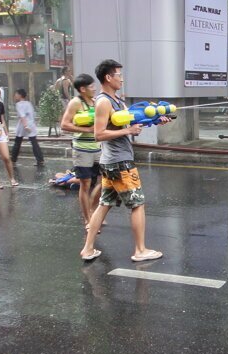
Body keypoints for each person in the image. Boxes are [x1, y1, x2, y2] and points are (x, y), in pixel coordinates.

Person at [78, 59, 170, 262]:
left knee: (104, 204)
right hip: (120, 163)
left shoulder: (117, 101)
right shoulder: (103, 102)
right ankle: (140, 250)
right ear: (108, 77)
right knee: (137, 204)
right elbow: (98, 134)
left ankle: (88, 249)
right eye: (119, 75)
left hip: (113, 162)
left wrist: (156, 120)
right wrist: (128, 130)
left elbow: (129, 124)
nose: (122, 78)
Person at [60, 73, 103, 230]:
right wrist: (86, 129)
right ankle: (87, 219)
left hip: (99, 147)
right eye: (91, 86)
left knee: (103, 182)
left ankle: (93, 210)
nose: (95, 88)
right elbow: (64, 125)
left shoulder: (96, 101)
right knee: (85, 184)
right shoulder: (75, 103)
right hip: (82, 149)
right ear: (82, 89)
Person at [10, 89, 44, 165]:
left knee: (17, 142)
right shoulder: (28, 103)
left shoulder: (19, 104)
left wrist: (25, 126)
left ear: (20, 95)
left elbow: (22, 116)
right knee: (34, 142)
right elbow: (32, 114)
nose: (15, 96)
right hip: (31, 124)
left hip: (23, 125)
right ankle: (40, 159)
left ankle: (13, 159)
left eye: (16, 94)